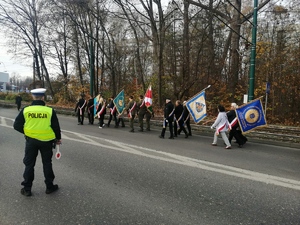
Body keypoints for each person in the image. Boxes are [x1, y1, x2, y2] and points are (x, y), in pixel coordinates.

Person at [13, 88, 62, 197]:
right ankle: (49, 187)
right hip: (47, 142)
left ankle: (27, 189)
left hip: (31, 142)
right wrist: (58, 139)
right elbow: (56, 127)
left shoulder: (26, 110)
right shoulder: (49, 111)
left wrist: (27, 132)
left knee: (29, 164)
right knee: (47, 163)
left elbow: (16, 125)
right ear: (43, 97)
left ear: (33, 97)